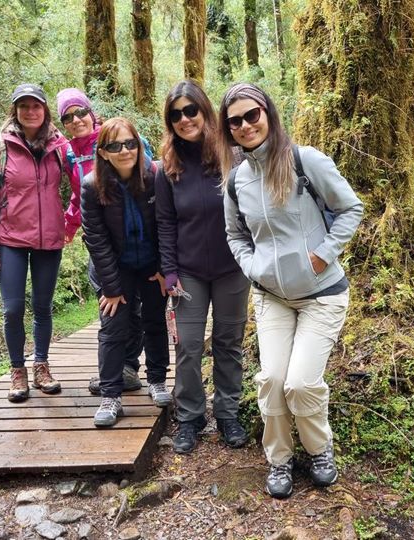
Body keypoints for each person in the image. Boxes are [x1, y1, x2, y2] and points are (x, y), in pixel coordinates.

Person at [218, 83, 364, 498]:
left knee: (300, 383)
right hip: (272, 297)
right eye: (236, 121)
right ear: (227, 129)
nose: (246, 125)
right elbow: (234, 235)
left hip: (322, 293)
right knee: (272, 379)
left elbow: (350, 208)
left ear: (268, 113)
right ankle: (279, 459)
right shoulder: (236, 182)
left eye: (252, 115)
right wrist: (253, 267)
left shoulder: (304, 160)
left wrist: (322, 254)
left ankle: (320, 450)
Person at [156, 80, 249, 454]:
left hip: (232, 269)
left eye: (190, 110)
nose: (184, 119)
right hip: (188, 273)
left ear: (205, 111)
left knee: (229, 343)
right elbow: (164, 222)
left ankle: (228, 413)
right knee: (189, 347)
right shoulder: (168, 168)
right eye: (176, 114)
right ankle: (191, 417)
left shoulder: (232, 156)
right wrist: (170, 270)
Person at [0, 83, 81, 402]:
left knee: (42, 307)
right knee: (12, 309)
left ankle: (42, 365)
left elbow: (81, 184)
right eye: (24, 106)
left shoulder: (60, 145)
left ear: (45, 110)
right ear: (16, 111)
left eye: (36, 106)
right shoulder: (0, 145)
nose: (31, 111)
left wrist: (70, 222)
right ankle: (17, 370)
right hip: (10, 239)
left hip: (49, 238)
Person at [81, 117, 172, 427]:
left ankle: (157, 381)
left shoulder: (154, 175)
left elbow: (165, 223)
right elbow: (96, 238)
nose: (124, 151)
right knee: (113, 325)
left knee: (154, 320)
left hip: (150, 265)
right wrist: (111, 287)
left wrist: (163, 268)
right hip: (116, 268)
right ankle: (111, 395)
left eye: (130, 143)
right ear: (103, 152)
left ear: (138, 144)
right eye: (115, 146)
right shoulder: (92, 186)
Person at [57, 88, 149, 394]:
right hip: (101, 241)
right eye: (68, 116)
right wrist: (69, 225)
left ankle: (129, 367)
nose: (76, 119)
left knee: (132, 307)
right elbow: (77, 194)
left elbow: (146, 177)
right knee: (110, 303)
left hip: (134, 240)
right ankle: (114, 371)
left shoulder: (117, 138)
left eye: (81, 112)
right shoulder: (69, 153)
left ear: (91, 113)